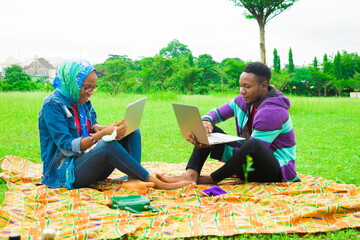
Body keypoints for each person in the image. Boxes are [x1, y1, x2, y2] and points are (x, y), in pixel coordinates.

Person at [38, 59, 192, 194]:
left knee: (131, 131)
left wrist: (105, 128)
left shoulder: (81, 101)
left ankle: (133, 179)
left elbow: (90, 126)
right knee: (106, 145)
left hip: (87, 166)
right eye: (86, 87)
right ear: (72, 82)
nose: (90, 92)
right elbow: (66, 146)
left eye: (93, 87)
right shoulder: (53, 105)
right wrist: (102, 134)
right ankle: (155, 181)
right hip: (65, 173)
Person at [157, 62, 300, 185]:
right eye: (240, 86)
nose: (241, 91)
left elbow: (254, 154)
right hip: (249, 165)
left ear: (263, 86)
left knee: (252, 145)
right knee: (209, 130)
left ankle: (212, 179)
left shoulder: (272, 112)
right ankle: (190, 175)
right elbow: (216, 113)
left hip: (277, 173)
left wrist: (214, 148)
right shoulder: (243, 100)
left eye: (247, 86)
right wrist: (206, 122)